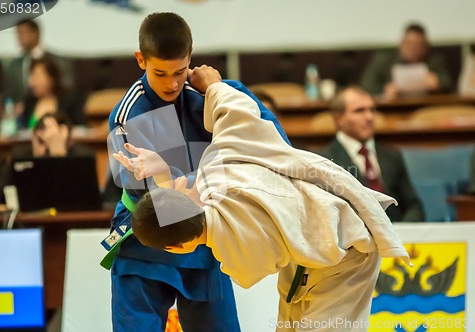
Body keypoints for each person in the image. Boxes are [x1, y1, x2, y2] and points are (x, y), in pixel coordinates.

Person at [115, 65, 410, 332]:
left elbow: (192, 213)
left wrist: (166, 172)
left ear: (177, 248)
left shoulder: (234, 254)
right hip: (316, 245)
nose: (180, 183)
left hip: (348, 252)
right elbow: (238, 115)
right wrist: (215, 85)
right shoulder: (219, 166)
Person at [103, 12, 289, 332]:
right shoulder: (130, 113)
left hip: (204, 238)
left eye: (179, 71)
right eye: (160, 73)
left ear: (191, 58)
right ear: (141, 60)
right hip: (147, 240)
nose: (172, 83)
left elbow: (274, 146)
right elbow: (161, 201)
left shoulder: (211, 94)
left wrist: (218, 88)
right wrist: (207, 181)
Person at [316, 86, 425, 222]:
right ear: (339, 119)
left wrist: (402, 233)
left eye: (372, 110)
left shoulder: (392, 155)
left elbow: (413, 206)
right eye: (359, 111)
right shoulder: (324, 160)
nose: (369, 117)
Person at [0, 112, 92, 210]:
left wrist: (58, 156)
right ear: (33, 137)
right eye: (40, 141)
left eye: (50, 144)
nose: (43, 150)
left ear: (68, 142)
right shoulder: (21, 157)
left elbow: (76, 202)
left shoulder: (82, 158)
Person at [360, 22, 452, 100]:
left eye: (418, 45)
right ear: (401, 43)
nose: (413, 49)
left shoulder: (434, 60)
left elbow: (448, 84)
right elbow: (366, 85)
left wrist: (438, 84)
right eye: (409, 44)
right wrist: (384, 90)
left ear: (426, 46)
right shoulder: (384, 60)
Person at [3, 20, 73, 103]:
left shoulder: (58, 62)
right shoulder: (13, 65)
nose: (19, 38)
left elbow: (67, 88)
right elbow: (7, 93)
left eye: (22, 33)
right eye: (17, 34)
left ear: (35, 33)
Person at [18, 56, 85, 129]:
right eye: (31, 77)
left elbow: (80, 127)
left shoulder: (69, 100)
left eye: (37, 77)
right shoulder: (29, 101)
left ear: (51, 77)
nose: (31, 83)